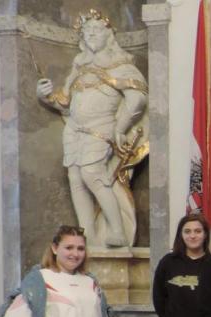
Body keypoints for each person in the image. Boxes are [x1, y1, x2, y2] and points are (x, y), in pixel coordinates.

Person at [36, 10, 148, 248]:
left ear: (109, 34)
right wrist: (45, 97)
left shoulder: (122, 65)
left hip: (102, 127)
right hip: (74, 130)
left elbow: (137, 99)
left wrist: (121, 127)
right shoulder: (80, 68)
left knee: (92, 174)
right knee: (76, 178)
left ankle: (117, 230)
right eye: (87, 32)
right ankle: (85, 236)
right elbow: (65, 104)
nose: (91, 35)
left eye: (96, 30)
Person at [153, 214, 210, 317]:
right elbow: (159, 298)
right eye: (187, 231)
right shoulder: (168, 262)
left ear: (205, 234)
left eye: (198, 231)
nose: (192, 236)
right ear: (181, 235)